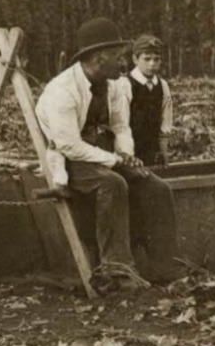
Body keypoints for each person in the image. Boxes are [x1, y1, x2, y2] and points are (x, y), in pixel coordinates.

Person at [37, 18, 179, 290]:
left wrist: (126, 153)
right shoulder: (62, 90)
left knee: (157, 187)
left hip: (104, 153)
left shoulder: (114, 84)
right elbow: (68, 144)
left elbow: (120, 126)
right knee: (112, 183)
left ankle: (164, 266)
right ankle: (117, 269)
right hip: (70, 160)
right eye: (119, 57)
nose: (124, 64)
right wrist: (114, 161)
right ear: (100, 58)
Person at [111, 35, 174, 167]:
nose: (152, 64)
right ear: (135, 59)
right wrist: (127, 156)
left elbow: (165, 122)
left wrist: (163, 150)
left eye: (156, 59)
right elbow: (120, 125)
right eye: (147, 59)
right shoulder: (125, 85)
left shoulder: (162, 86)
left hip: (152, 152)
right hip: (128, 152)